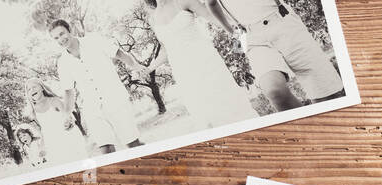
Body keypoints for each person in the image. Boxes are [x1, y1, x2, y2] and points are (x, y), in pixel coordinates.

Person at [203, 0, 345, 111]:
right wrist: (233, 33)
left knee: (326, 94)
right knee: (274, 90)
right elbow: (211, 3)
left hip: (283, 21)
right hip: (252, 36)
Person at [144, 0, 259, 128]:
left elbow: (216, 19)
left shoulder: (183, 2)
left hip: (207, 64)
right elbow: (166, 51)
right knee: (207, 119)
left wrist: (240, 37)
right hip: (184, 74)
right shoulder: (153, 19)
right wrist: (149, 68)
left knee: (231, 107)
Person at [49, 19, 147, 154]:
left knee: (133, 143)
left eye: (62, 34)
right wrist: (67, 114)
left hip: (115, 99)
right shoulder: (63, 63)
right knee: (106, 149)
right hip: (92, 108)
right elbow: (69, 91)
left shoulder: (93, 41)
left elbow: (119, 54)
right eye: (56, 38)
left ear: (69, 30)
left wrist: (136, 66)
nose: (60, 39)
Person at [29, 81, 90, 166]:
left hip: (67, 136)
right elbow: (42, 130)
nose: (31, 90)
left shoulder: (54, 101)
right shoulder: (33, 111)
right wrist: (41, 147)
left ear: (42, 88)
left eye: (34, 87)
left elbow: (67, 114)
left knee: (79, 164)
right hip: (53, 142)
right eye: (28, 89)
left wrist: (68, 121)